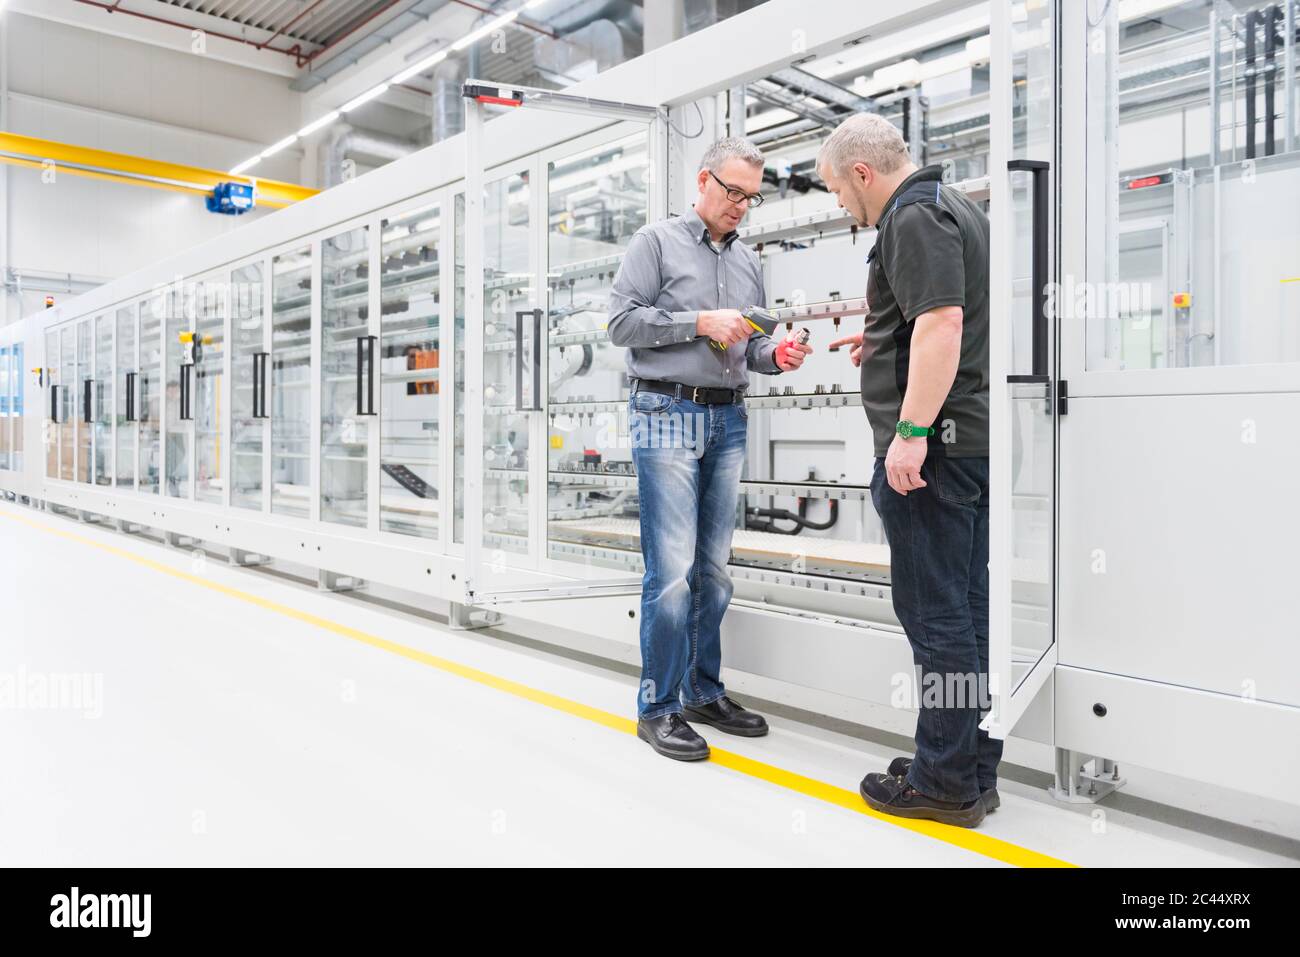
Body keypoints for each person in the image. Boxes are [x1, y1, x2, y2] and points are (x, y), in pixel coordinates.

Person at [607, 136, 813, 761]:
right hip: (665, 409)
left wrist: (773, 355)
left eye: (751, 197)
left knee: (715, 571)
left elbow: (746, 346)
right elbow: (621, 324)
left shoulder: (749, 262)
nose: (740, 207)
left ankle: (702, 689)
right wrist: (697, 323)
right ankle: (658, 707)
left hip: (726, 418)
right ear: (702, 182)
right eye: (732, 193)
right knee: (670, 573)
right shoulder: (655, 243)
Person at [819, 114, 996, 827]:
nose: (839, 203)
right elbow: (938, 317)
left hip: (936, 453)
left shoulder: (911, 216)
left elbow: (944, 324)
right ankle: (968, 762)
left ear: (863, 173)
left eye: (836, 189)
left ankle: (943, 780)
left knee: (936, 618)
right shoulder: (956, 206)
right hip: (970, 444)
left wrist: (911, 431)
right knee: (966, 612)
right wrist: (885, 336)